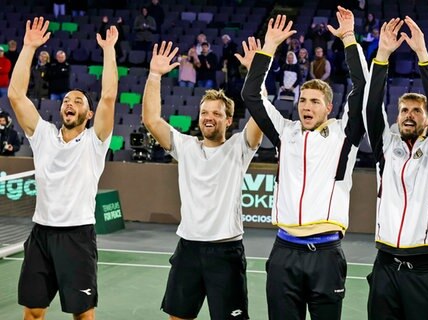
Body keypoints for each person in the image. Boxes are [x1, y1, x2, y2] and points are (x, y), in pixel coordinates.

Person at [241, 7, 367, 319]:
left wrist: (349, 37)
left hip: (326, 255)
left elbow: (363, 89)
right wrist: (269, 47)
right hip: (284, 251)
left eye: (314, 102)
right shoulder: (286, 132)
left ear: (329, 106)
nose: (306, 107)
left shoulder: (342, 135)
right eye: (302, 101)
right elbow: (251, 95)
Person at [142, 39, 263, 320]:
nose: (209, 118)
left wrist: (255, 71)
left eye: (217, 113)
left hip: (226, 251)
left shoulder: (239, 147)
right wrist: (154, 75)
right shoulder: (185, 148)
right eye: (205, 112)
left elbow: (260, 114)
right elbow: (151, 119)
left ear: (228, 120)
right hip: (188, 248)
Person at [8, 17, 118, 320]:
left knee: (82, 314)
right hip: (41, 234)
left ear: (89, 112)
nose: (70, 103)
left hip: (77, 237)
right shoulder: (43, 135)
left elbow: (109, 96)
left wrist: (109, 50)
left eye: (78, 100)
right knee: (33, 311)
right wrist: (29, 47)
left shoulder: (95, 142)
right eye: (67, 99)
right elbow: (16, 96)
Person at [364, 16, 428, 320]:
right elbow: (370, 109)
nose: (409, 115)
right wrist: (382, 56)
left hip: (426, 268)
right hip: (385, 264)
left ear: (427, 119)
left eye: (417, 110)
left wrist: (424, 57)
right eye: (404, 110)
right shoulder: (386, 147)